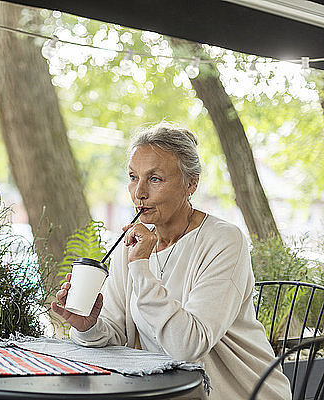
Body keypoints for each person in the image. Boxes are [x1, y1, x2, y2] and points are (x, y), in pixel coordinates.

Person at [51, 122, 292, 400]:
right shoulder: (130, 246)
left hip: (239, 392)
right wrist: (88, 325)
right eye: (132, 176)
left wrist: (141, 267)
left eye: (155, 179)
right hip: (163, 393)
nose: (139, 192)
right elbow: (115, 334)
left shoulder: (224, 240)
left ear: (191, 184)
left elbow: (188, 347)